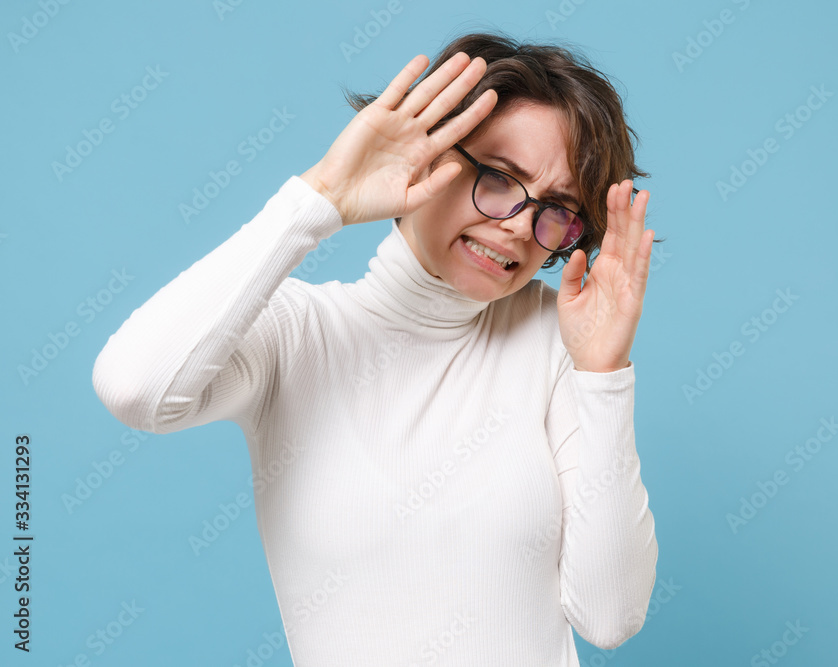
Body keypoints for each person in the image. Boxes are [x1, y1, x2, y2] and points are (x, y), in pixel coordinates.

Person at [92, 30, 659, 667]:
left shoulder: (556, 338)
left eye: (557, 210)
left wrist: (604, 373)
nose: (522, 228)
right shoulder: (297, 332)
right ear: (425, 155)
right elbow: (136, 389)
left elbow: (610, 615)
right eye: (499, 178)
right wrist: (319, 200)